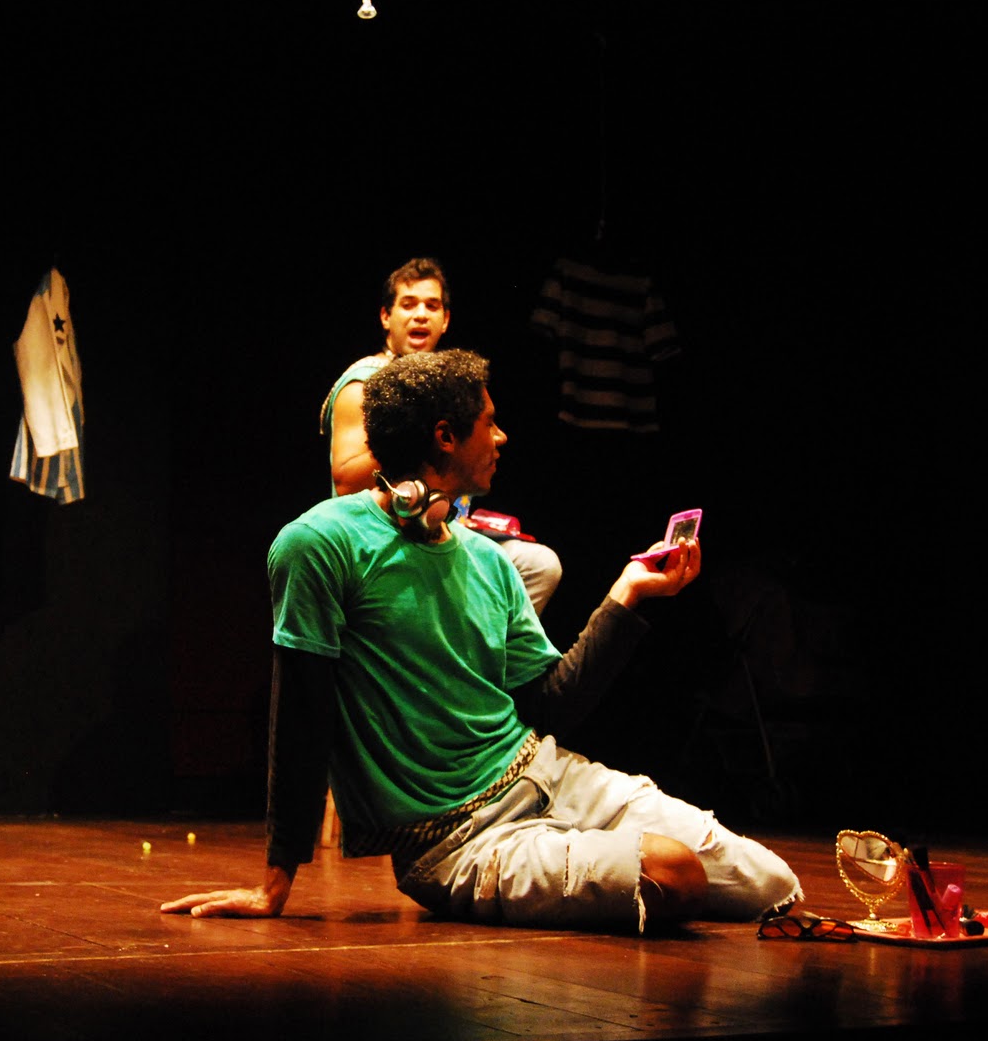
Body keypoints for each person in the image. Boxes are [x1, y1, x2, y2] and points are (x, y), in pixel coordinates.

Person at [164, 350, 800, 930]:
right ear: (445, 436)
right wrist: (275, 883)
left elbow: (550, 706)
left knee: (775, 887)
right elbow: (301, 715)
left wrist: (627, 595)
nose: (501, 437)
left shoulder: (490, 562)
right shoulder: (319, 544)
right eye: (489, 423)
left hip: (549, 776)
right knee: (673, 872)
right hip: (457, 841)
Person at [321, 258, 561, 613]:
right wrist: (415, 426)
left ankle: (485, 647)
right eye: (409, 304)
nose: (421, 315)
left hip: (448, 531)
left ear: (445, 319)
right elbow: (345, 482)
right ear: (386, 317)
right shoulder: (362, 382)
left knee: (539, 565)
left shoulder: (450, 386)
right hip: (386, 537)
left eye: (431, 306)